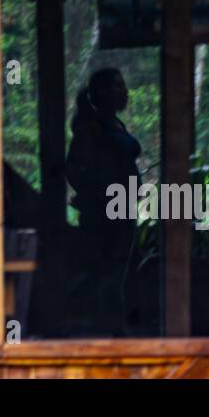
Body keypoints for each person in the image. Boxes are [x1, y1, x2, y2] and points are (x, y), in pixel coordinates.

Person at [65, 67, 141, 335]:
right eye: (117, 86)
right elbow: (73, 167)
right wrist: (95, 195)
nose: (124, 91)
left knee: (116, 275)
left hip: (122, 211)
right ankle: (108, 335)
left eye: (123, 85)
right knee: (106, 276)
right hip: (105, 217)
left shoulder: (113, 124)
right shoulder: (92, 127)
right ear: (102, 93)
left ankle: (114, 332)